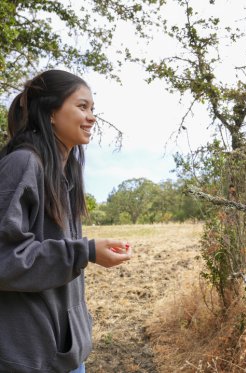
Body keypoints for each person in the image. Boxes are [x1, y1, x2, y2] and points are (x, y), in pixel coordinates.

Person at [0, 70, 132, 373]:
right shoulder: (22, 165)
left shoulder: (64, 172)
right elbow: (5, 257)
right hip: (27, 359)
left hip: (64, 355)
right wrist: (84, 252)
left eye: (93, 110)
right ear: (50, 113)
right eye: (82, 107)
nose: (91, 118)